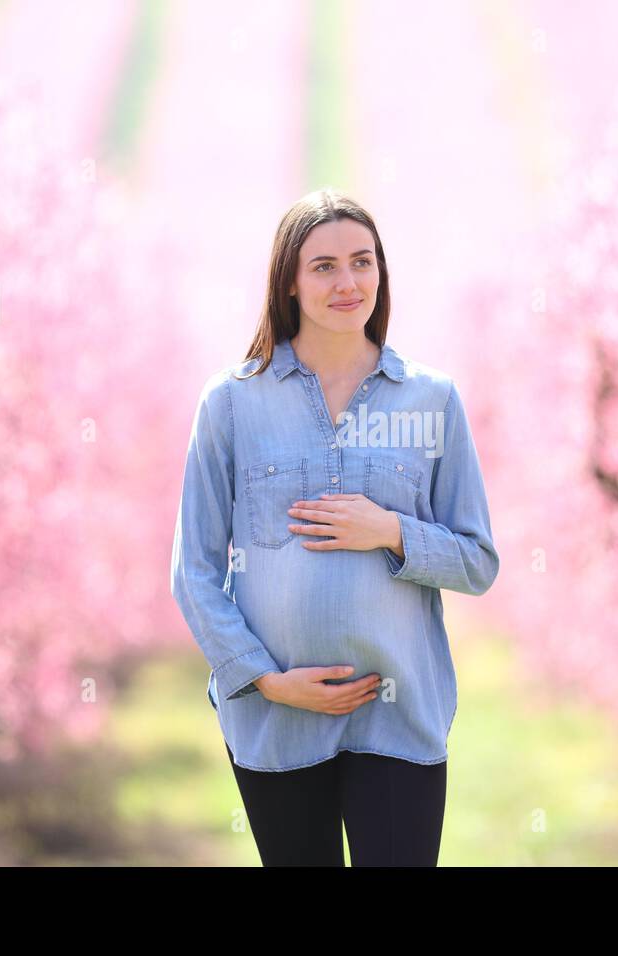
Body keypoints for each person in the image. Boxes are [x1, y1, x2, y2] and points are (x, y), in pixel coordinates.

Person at [170, 188, 499, 866]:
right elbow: (194, 571)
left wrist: (391, 530)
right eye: (323, 266)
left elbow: (477, 561)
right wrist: (264, 678)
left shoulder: (431, 399)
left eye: (362, 262)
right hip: (277, 718)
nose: (348, 283)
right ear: (289, 281)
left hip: (397, 716)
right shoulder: (232, 402)